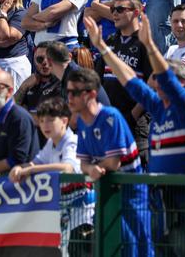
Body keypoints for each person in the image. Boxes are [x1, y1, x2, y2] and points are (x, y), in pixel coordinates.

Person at [88, 11, 185, 254]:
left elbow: (163, 79)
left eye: (161, 80)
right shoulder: (159, 106)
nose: (155, 83)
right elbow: (131, 82)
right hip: (160, 195)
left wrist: (149, 44)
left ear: (179, 84)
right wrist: (103, 49)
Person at [67, 66, 152, 257]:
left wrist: (94, 169)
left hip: (131, 194)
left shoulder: (110, 117)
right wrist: (92, 169)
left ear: (92, 94)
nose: (69, 98)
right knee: (109, 248)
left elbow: (113, 163)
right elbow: (83, 164)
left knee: (139, 247)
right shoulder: (81, 121)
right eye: (68, 92)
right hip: (105, 192)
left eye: (75, 92)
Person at [93, 0, 151, 155]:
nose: (114, 14)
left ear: (137, 12)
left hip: (134, 124)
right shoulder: (110, 41)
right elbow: (97, 81)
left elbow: (152, 84)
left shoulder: (146, 42)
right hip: (108, 121)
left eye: (120, 9)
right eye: (112, 10)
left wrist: (133, 115)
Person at [8, 97, 80, 182]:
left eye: (50, 120)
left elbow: (67, 168)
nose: (45, 125)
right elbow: (36, 162)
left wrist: (31, 170)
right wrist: (19, 168)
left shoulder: (72, 141)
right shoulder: (50, 142)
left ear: (64, 121)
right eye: (41, 121)